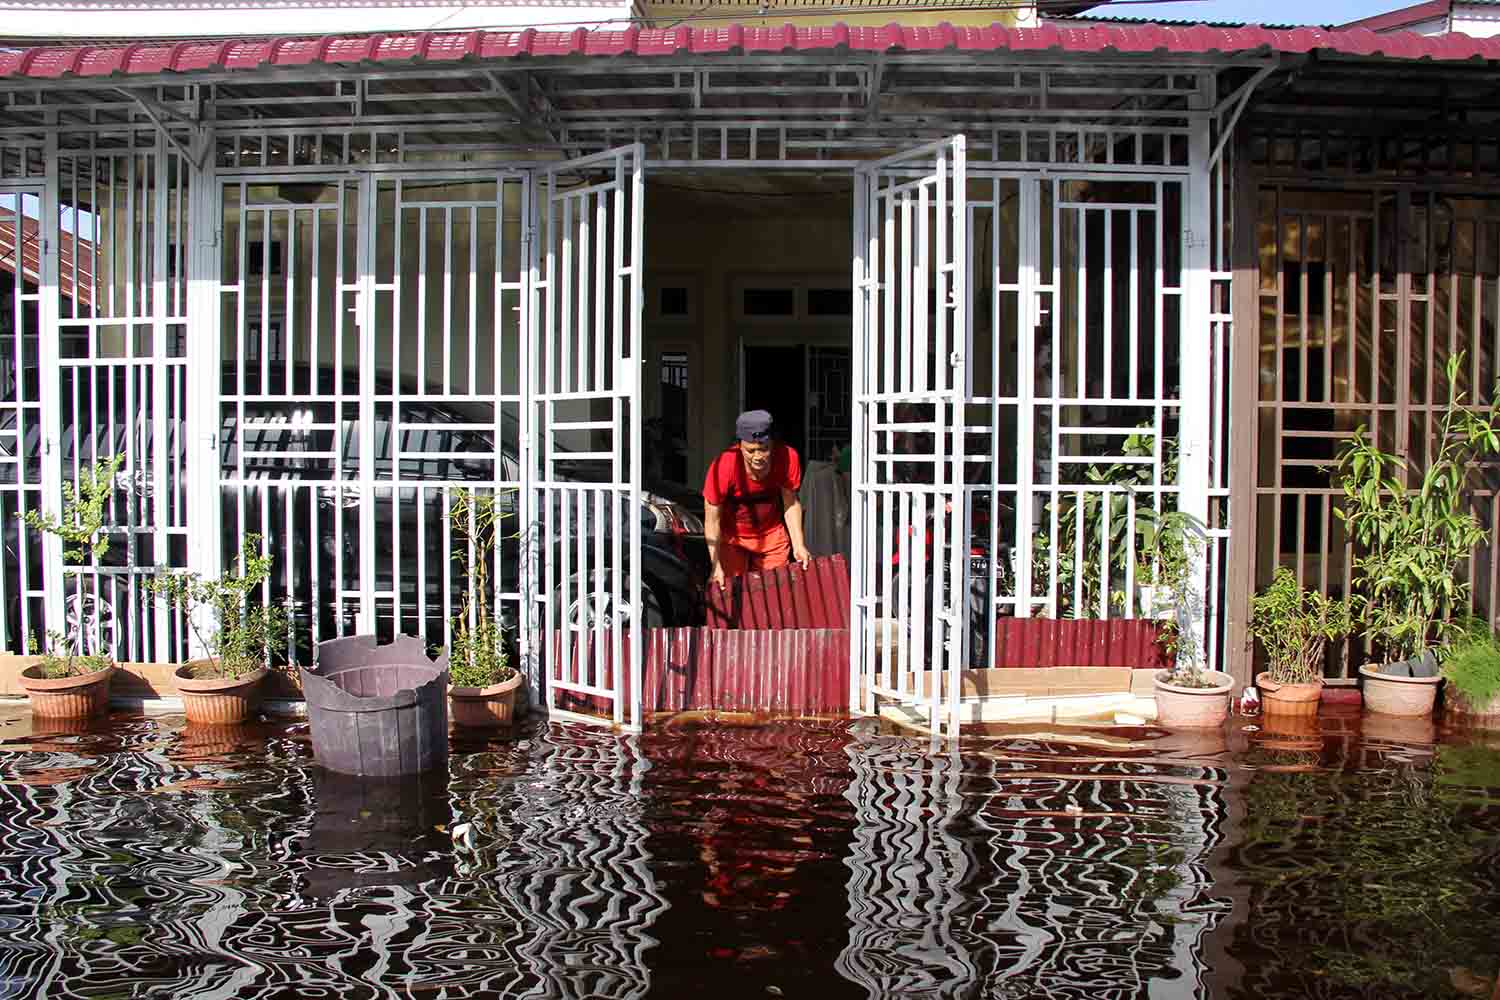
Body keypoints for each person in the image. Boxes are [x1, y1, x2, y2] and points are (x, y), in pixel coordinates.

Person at [702, 409, 812, 587]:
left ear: (773, 443)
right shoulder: (724, 466)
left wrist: (799, 545)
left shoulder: (787, 457)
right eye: (750, 451)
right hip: (733, 538)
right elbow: (712, 521)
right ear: (739, 446)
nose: (758, 457)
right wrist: (715, 565)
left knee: (775, 593)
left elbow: (790, 503)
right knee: (732, 593)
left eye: (764, 449)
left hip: (771, 536)